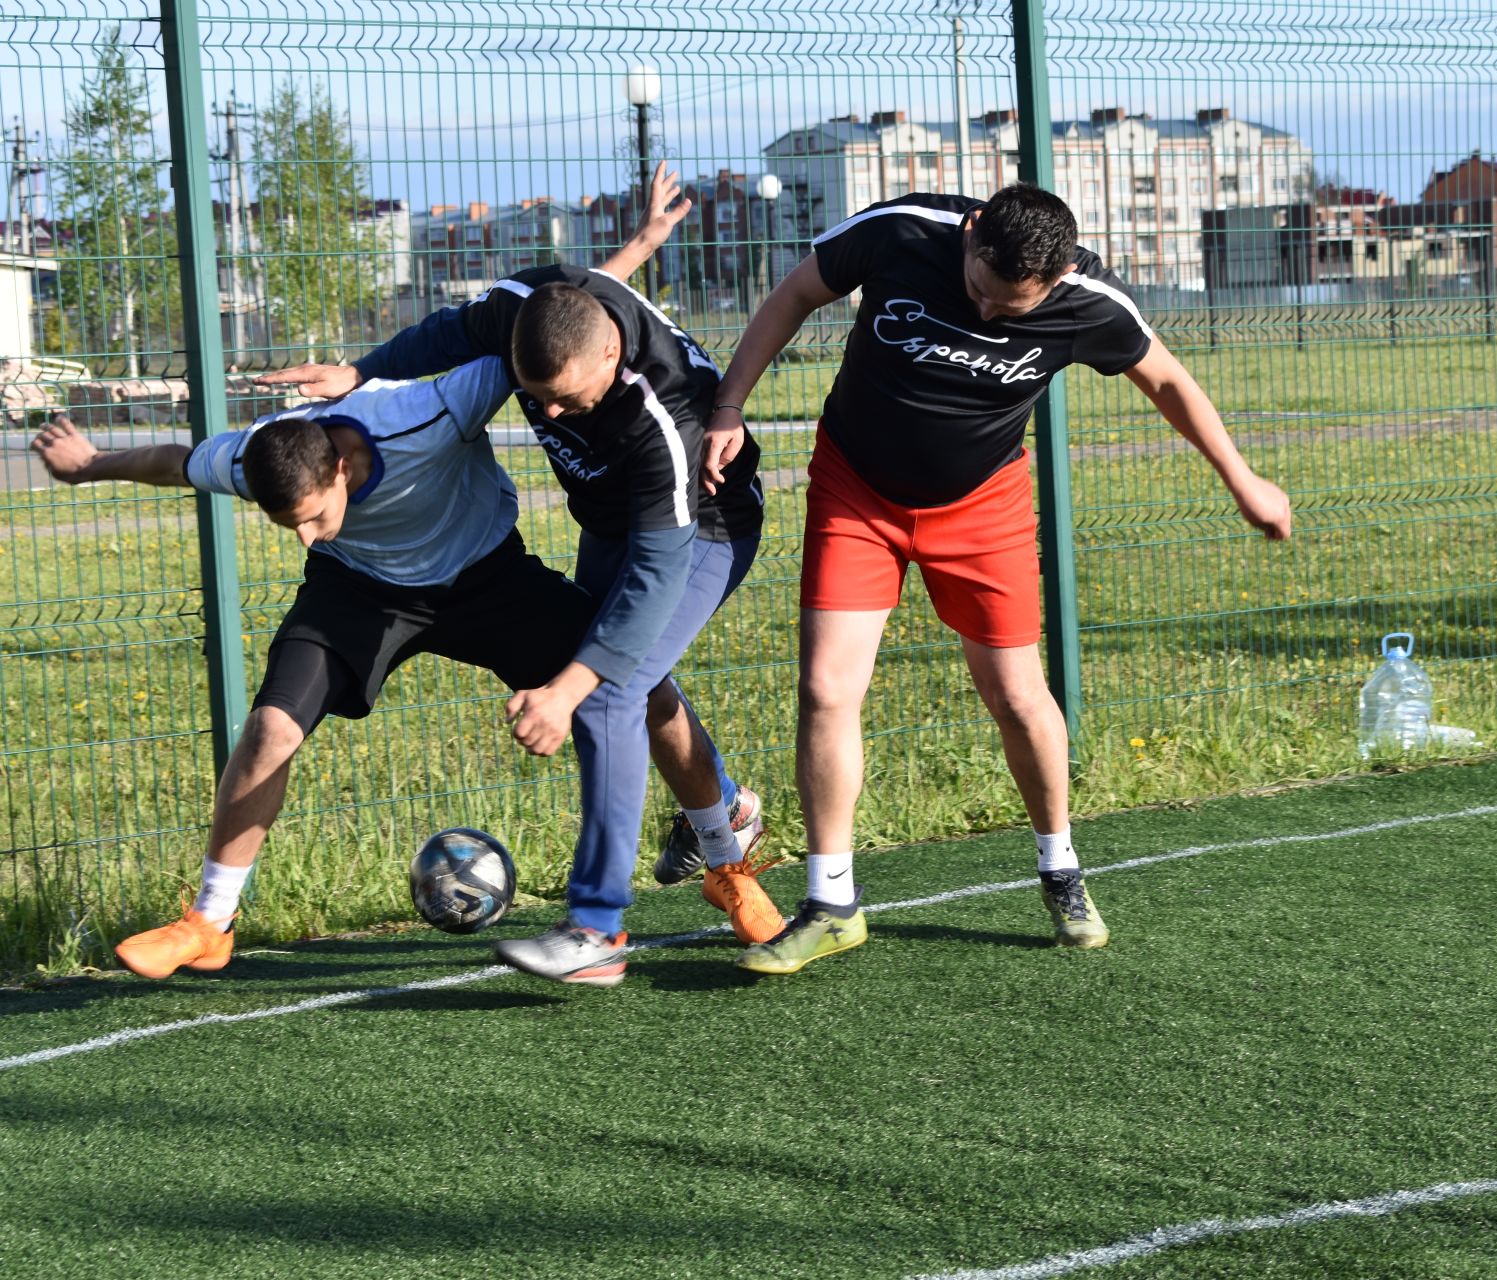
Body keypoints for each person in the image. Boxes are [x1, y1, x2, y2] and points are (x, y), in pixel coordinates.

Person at [700, 183, 1293, 975]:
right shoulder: (902, 232)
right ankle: (831, 901)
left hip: (983, 511)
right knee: (826, 688)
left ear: (1055, 279)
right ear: (972, 234)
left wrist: (1244, 481)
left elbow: (1170, 382)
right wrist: (730, 404)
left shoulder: (1087, 301)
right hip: (857, 488)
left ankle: (1061, 869)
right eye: (981, 289)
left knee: (1015, 694)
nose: (987, 315)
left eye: (1012, 311)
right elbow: (796, 294)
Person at [260, 166, 780, 981]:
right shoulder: (527, 309)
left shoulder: (661, 424)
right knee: (636, 686)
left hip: (699, 528)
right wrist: (359, 374)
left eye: (571, 399)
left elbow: (653, 578)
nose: (557, 414)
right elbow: (446, 332)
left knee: (608, 686)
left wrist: (569, 686)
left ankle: (598, 933)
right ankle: (727, 825)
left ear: (611, 353)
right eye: (542, 401)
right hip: (610, 521)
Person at [33, 359, 677, 986]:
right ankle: (210, 922)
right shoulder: (256, 459)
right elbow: (174, 462)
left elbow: (519, 343)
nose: (306, 537)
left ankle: (724, 845)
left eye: (314, 516)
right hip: (361, 591)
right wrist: (89, 465)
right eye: (290, 525)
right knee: (269, 730)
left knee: (632, 683)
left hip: (490, 577)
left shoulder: (427, 415)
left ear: (341, 467)